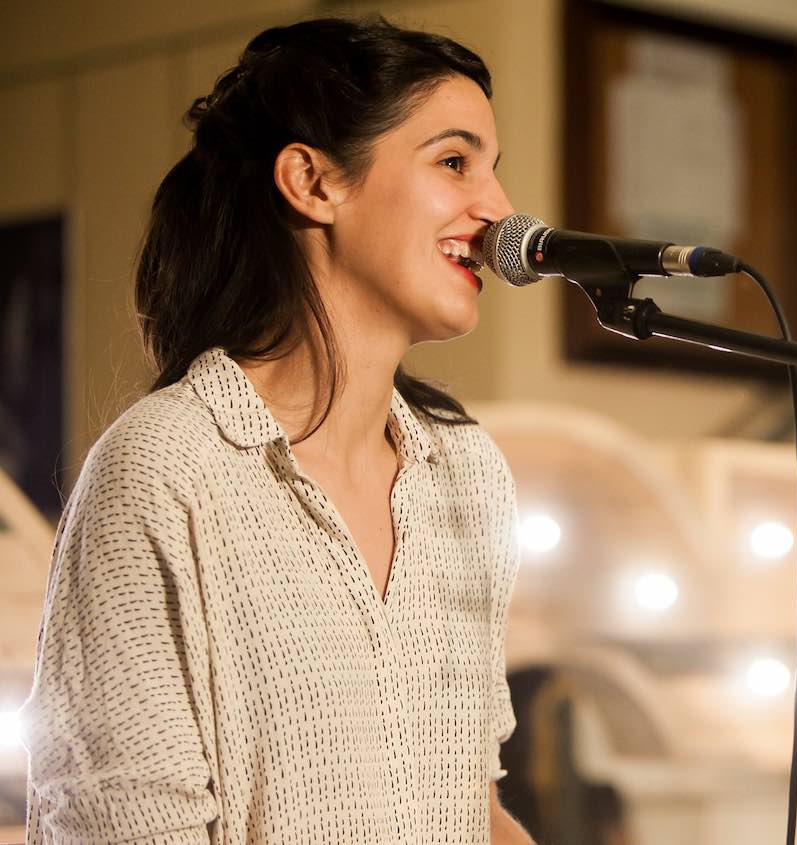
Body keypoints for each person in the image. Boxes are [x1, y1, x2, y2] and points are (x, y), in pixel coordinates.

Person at [20, 17, 535, 843]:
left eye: (493, 171)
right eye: (453, 162)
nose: (499, 211)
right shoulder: (165, 469)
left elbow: (470, 805)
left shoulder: (467, 472)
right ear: (312, 181)